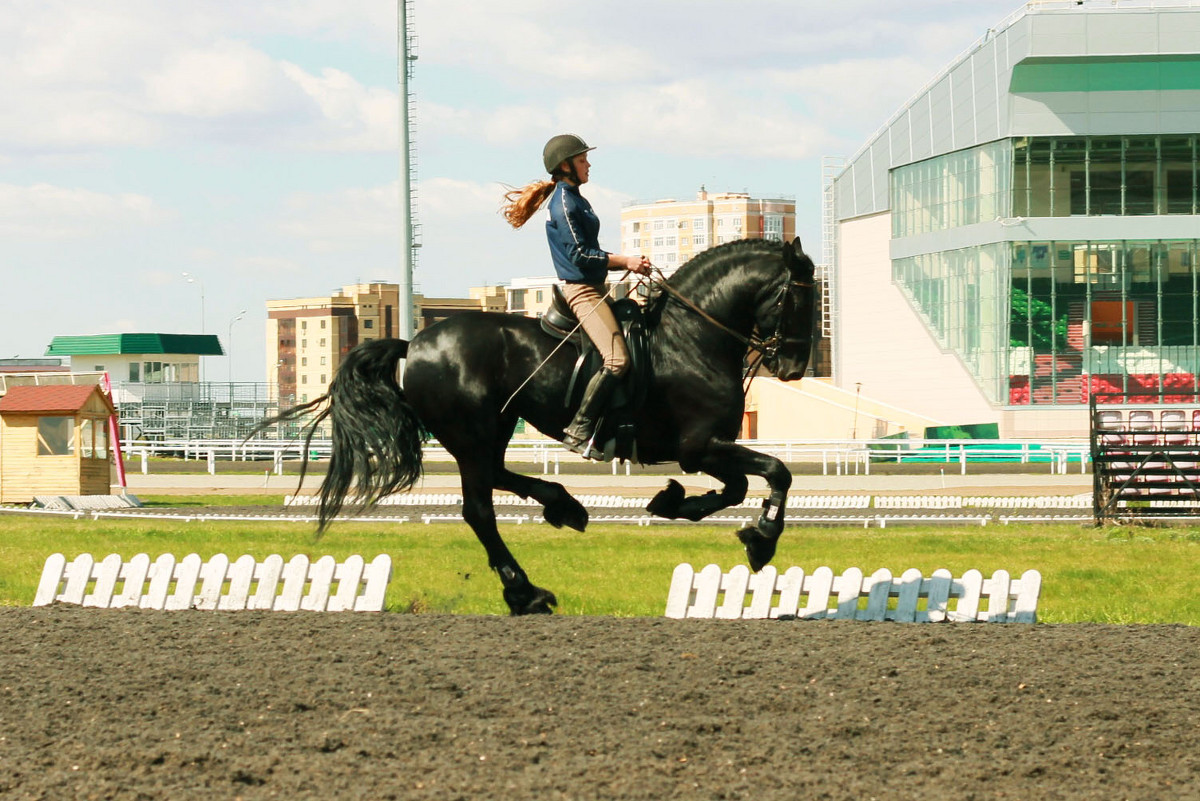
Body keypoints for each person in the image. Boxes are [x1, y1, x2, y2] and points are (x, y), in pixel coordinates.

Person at [502, 133, 651, 458]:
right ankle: (580, 429)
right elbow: (580, 256)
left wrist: (626, 263)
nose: (588, 165)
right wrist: (625, 260)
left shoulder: (575, 199)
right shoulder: (565, 203)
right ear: (566, 166)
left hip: (595, 288)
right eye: (583, 160)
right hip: (582, 292)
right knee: (617, 360)